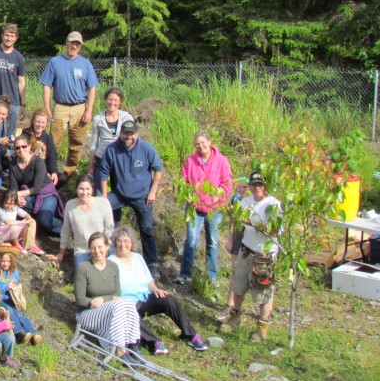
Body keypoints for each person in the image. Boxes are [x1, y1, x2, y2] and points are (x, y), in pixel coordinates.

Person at [112, 226, 208, 354]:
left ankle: (190, 335)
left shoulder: (138, 258)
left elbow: (148, 281)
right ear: (115, 243)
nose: (123, 244)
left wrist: (156, 290)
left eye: (126, 241)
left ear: (131, 243)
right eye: (119, 241)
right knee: (131, 316)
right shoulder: (111, 262)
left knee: (168, 299)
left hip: (144, 298)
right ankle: (153, 343)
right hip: (128, 304)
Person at [220, 171, 283, 342]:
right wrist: (231, 240)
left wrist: (253, 223)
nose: (257, 188)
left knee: (263, 291)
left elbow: (275, 231)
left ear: (265, 186)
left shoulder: (273, 205)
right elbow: (233, 220)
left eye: (260, 184)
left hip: (264, 254)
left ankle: (262, 328)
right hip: (246, 249)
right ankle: (234, 318)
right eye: (254, 184)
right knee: (238, 285)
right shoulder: (245, 202)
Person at [99, 119, 163, 269]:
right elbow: (103, 172)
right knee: (106, 220)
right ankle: (107, 255)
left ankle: (151, 263)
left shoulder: (146, 148)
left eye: (131, 133)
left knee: (146, 229)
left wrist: (153, 192)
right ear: (120, 133)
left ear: (137, 134)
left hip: (142, 196)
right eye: (125, 133)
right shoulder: (112, 149)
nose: (129, 136)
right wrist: (103, 195)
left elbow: (158, 170)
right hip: (119, 194)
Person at [177, 132, 233, 285]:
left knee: (212, 241)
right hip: (194, 208)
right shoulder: (190, 161)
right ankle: (185, 274)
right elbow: (184, 181)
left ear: (209, 142)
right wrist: (188, 196)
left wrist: (217, 198)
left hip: (214, 209)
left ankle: (212, 277)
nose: (201, 146)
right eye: (197, 144)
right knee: (191, 240)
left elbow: (227, 184)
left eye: (203, 143)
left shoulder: (221, 161)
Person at [40, 31, 99, 177]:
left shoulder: (85, 63)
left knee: (76, 144)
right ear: (66, 43)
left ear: (80, 46)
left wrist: (89, 110)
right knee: (53, 143)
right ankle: (49, 172)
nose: (74, 46)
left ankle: (69, 174)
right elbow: (46, 85)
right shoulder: (55, 62)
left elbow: (92, 88)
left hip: (80, 108)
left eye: (77, 44)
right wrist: (47, 108)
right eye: (72, 42)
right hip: (60, 108)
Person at [73, 232, 141, 357]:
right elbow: (80, 299)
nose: (97, 251)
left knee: (128, 302)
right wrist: (95, 301)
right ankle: (118, 348)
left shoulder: (113, 267)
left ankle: (132, 343)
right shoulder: (84, 268)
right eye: (93, 248)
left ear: (107, 247)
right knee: (118, 306)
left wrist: (102, 299)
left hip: (109, 309)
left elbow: (117, 293)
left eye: (100, 247)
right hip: (87, 313)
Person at [7, 134, 61, 239]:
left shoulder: (38, 162)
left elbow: (37, 188)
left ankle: (65, 229)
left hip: (46, 193)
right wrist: (17, 197)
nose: (21, 150)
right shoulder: (13, 164)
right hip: (28, 194)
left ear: (29, 147)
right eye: (17, 148)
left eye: (24, 146)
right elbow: (13, 186)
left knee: (44, 220)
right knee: (12, 207)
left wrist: (17, 194)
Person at [53, 175, 114, 268]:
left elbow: (109, 228)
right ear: (76, 189)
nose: (84, 192)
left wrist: (104, 247)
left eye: (87, 189)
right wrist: (61, 252)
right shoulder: (70, 206)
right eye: (81, 189)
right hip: (83, 250)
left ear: (92, 190)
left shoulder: (103, 203)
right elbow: (66, 230)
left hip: (102, 248)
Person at [0, 244, 40, 343]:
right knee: (10, 312)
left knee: (19, 314)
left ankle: (33, 334)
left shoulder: (14, 272)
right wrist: (6, 287)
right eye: (3, 261)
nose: (6, 264)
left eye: (8, 261)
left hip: (10, 299)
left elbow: (15, 284)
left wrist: (14, 288)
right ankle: (20, 333)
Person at [88, 88, 133, 185]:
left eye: (115, 100)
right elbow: (93, 145)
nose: (112, 103)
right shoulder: (98, 119)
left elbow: (133, 140)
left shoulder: (127, 118)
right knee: (98, 193)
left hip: (121, 157)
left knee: (119, 189)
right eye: (110, 99)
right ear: (105, 100)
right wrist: (91, 168)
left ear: (120, 102)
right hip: (102, 158)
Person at [21, 108, 65, 189]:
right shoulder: (25, 136)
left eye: (43, 122)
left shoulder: (47, 138)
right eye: (37, 122)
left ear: (46, 123)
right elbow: (23, 158)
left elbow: (52, 157)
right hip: (29, 170)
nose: (40, 125)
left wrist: (53, 172)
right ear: (33, 121)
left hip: (44, 170)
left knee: (61, 178)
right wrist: (43, 173)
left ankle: (47, 192)